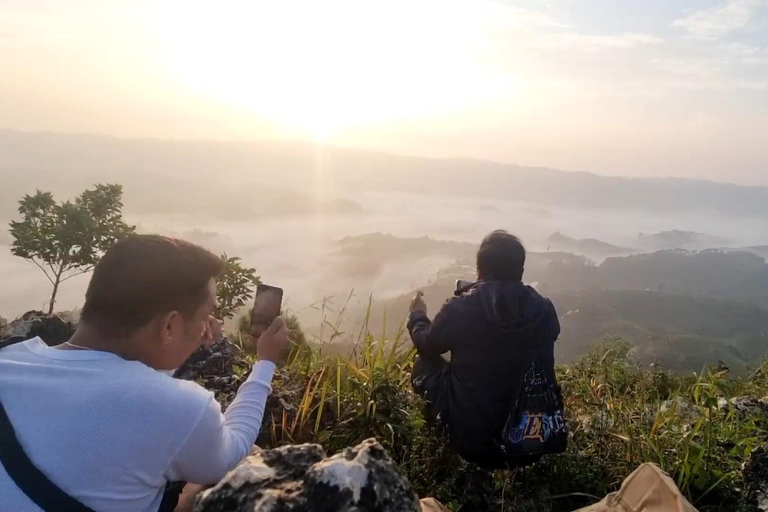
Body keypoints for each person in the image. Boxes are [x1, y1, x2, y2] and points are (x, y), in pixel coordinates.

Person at [0, 235, 290, 511]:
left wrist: (180, 341)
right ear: (168, 326)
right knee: (242, 459)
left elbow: (126, 388)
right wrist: (265, 362)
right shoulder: (181, 408)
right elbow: (234, 450)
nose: (209, 323)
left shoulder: (9, 360)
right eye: (205, 315)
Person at [408, 230, 561, 469]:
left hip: (473, 445)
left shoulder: (462, 308)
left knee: (424, 365)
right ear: (520, 271)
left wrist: (417, 315)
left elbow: (427, 345)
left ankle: (441, 447)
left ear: (479, 270)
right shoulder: (544, 310)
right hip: (533, 442)